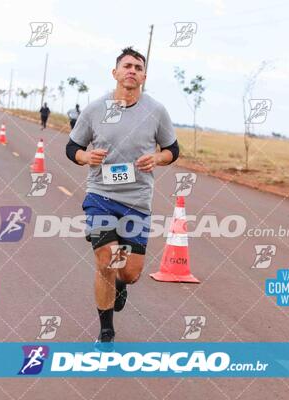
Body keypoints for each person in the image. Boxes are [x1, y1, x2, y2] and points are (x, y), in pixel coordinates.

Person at [65, 47, 180, 348]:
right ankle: (106, 332)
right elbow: (71, 148)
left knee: (129, 273)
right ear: (114, 73)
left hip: (137, 201)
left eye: (138, 67)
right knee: (105, 261)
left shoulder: (156, 111)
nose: (132, 70)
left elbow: (173, 150)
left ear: (143, 76)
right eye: (126, 66)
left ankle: (120, 284)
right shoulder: (95, 109)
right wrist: (86, 156)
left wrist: (158, 159)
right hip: (101, 195)